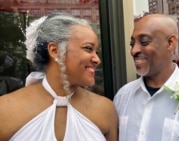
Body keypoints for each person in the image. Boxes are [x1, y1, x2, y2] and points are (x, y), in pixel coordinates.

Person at [0, 12, 118, 141]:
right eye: (88, 48)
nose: (97, 59)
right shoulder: (6, 109)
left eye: (96, 51)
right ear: (55, 50)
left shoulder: (105, 110)